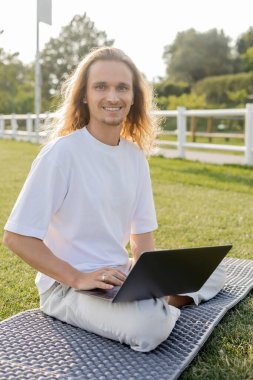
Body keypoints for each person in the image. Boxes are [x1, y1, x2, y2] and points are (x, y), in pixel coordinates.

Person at [3, 47, 225, 352]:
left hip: (120, 276)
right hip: (67, 288)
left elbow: (141, 234)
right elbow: (17, 237)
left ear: (134, 97)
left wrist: (149, 280)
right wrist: (78, 277)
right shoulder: (61, 154)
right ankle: (161, 308)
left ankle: (159, 302)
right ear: (84, 95)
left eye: (122, 87)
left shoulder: (135, 157)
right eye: (100, 87)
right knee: (147, 327)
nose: (113, 96)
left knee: (216, 271)